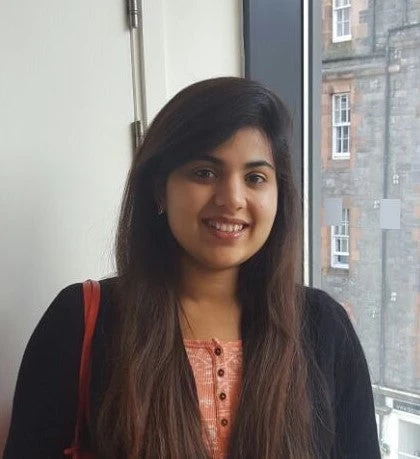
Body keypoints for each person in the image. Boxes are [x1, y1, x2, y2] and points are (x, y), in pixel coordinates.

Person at [4, 77, 381, 459]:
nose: (232, 199)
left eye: (255, 178)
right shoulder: (80, 319)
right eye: (205, 172)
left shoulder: (322, 327)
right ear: (158, 189)